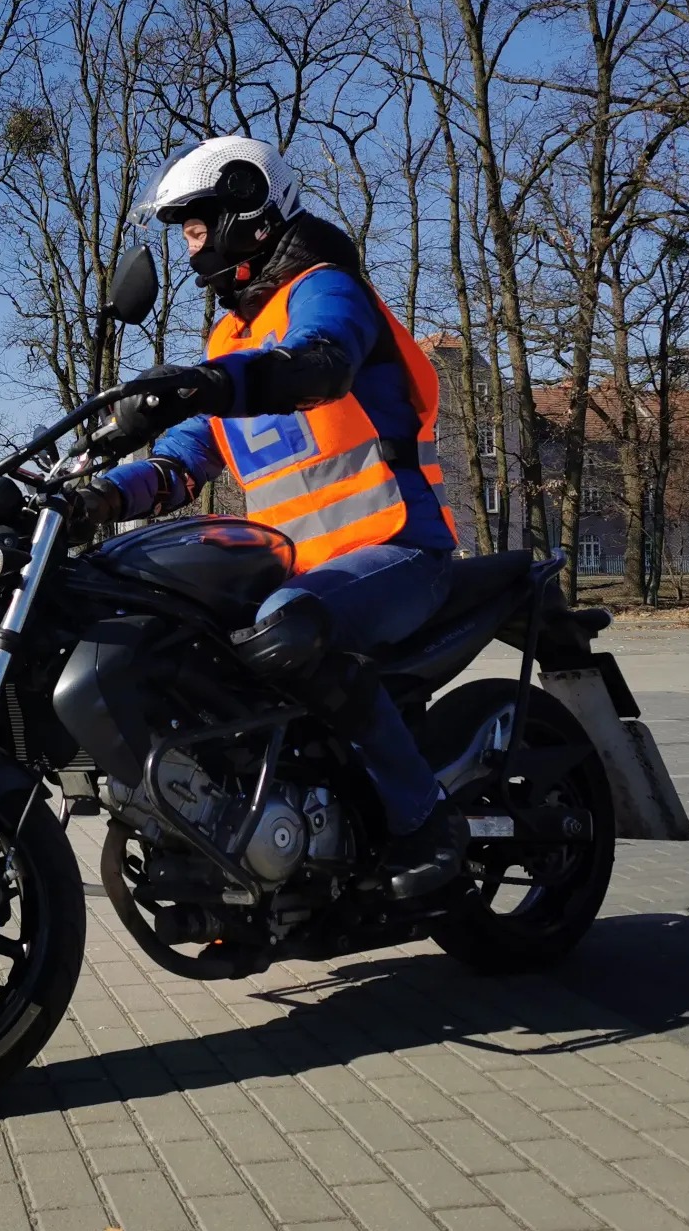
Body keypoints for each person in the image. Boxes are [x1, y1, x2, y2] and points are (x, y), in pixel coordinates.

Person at [72, 136, 467, 899]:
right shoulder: (230, 339)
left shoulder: (324, 290)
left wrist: (208, 383)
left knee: (291, 622)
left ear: (245, 212)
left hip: (399, 550)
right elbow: (187, 459)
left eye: (196, 226)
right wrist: (101, 495)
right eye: (182, 231)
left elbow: (323, 360)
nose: (189, 249)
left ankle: (426, 823)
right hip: (314, 568)